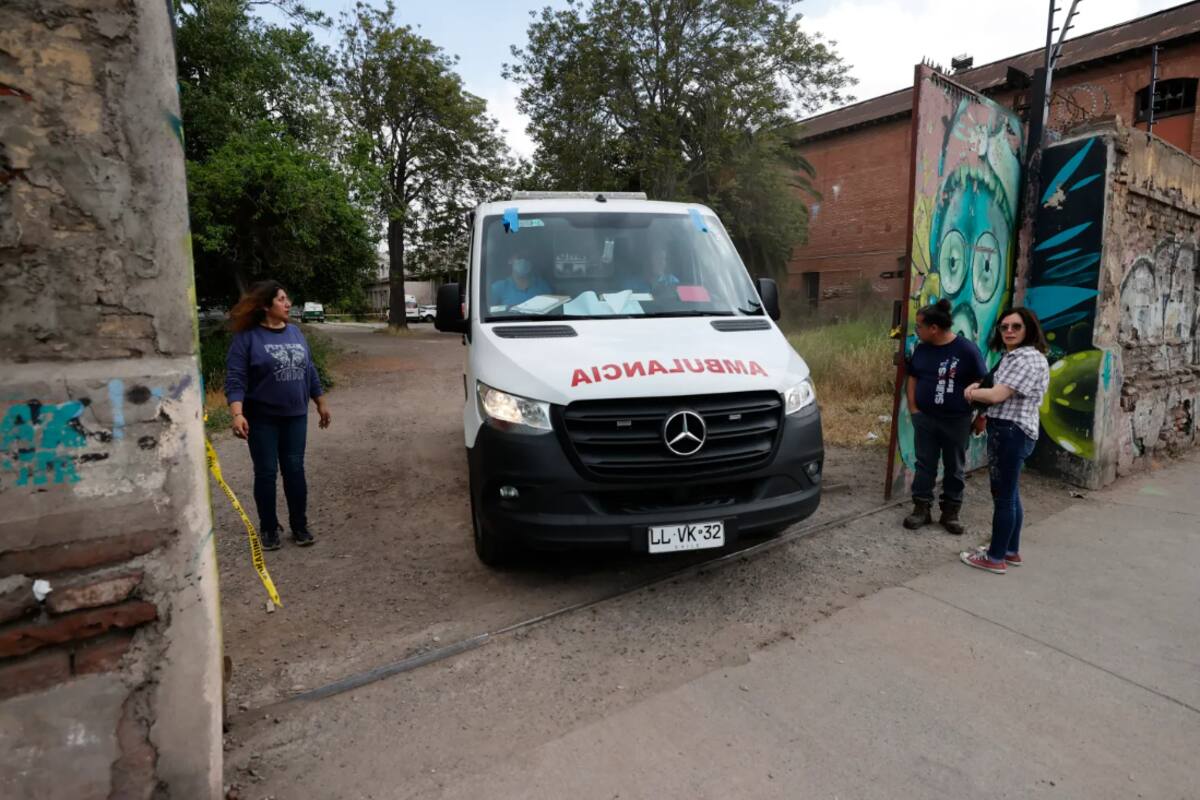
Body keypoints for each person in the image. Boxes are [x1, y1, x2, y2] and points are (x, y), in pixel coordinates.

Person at [224, 281, 331, 550]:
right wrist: (237, 413)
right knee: (266, 473)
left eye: (287, 299)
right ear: (265, 305)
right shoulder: (247, 337)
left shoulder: (295, 333)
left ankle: (299, 525)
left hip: (295, 415)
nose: (288, 304)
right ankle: (269, 528)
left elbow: (310, 369)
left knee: (295, 470)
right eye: (282, 299)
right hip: (261, 418)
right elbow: (236, 378)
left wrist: (320, 402)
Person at [961, 307, 1050, 574]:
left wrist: (972, 393)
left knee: (1003, 497)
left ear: (1029, 329)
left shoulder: (1026, 359)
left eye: (1016, 327)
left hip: (1011, 433)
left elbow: (998, 395)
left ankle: (995, 557)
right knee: (1010, 494)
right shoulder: (1015, 357)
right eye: (1004, 327)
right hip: (1011, 431)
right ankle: (1010, 550)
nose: (1009, 331)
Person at [902, 298, 988, 535]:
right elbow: (913, 377)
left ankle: (951, 513)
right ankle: (921, 509)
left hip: (957, 420)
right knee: (924, 465)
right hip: (926, 418)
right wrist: (913, 409)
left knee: (955, 467)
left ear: (934, 328)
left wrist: (981, 415)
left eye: (919, 326)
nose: (916, 331)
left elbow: (984, 382)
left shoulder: (967, 350)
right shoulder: (922, 349)